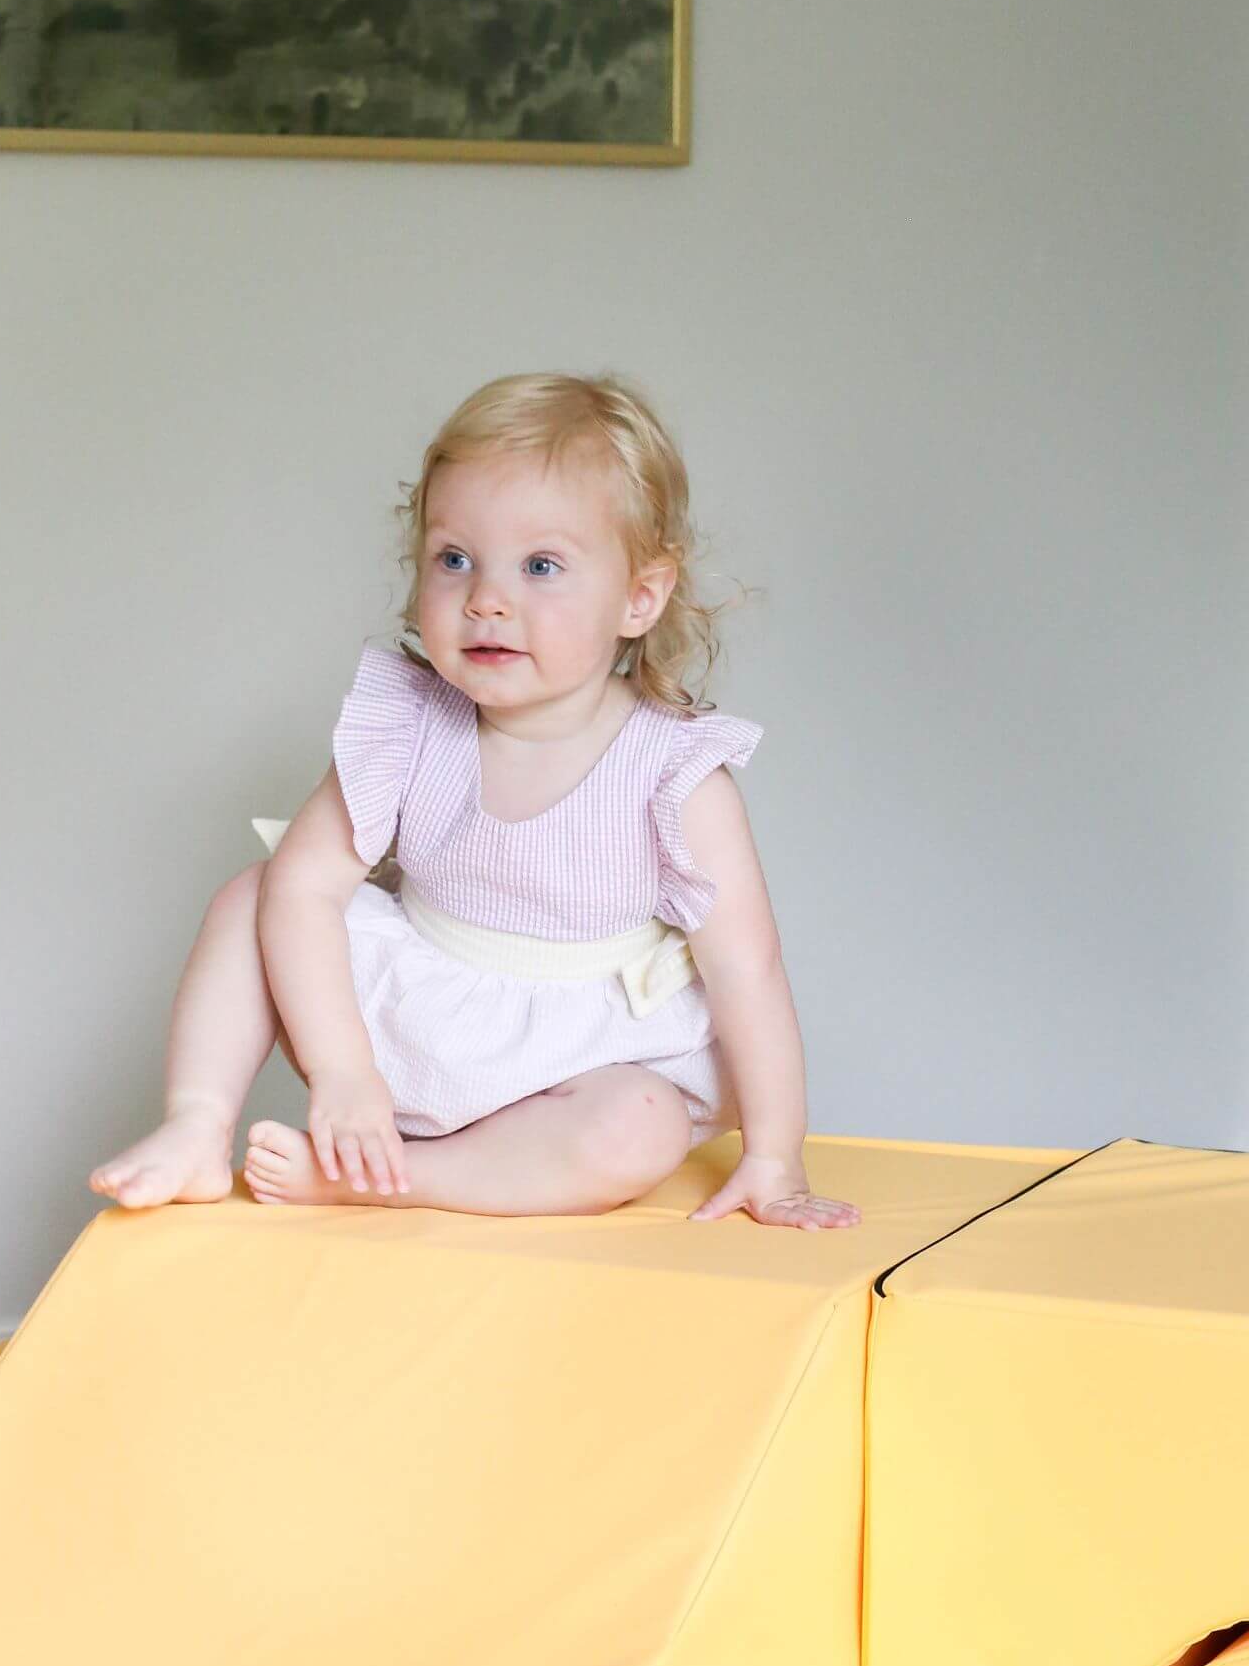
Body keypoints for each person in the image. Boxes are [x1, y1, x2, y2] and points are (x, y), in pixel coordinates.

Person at [90, 372, 861, 1230]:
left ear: (640, 597)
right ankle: (198, 1127)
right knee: (255, 893)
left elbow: (746, 970)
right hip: (411, 1024)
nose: (486, 598)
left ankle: (398, 1177)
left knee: (637, 1132)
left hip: (578, 1060)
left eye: (541, 566)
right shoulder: (410, 724)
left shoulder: (672, 771)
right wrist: (345, 1074)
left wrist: (774, 1154)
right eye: (454, 559)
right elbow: (307, 890)